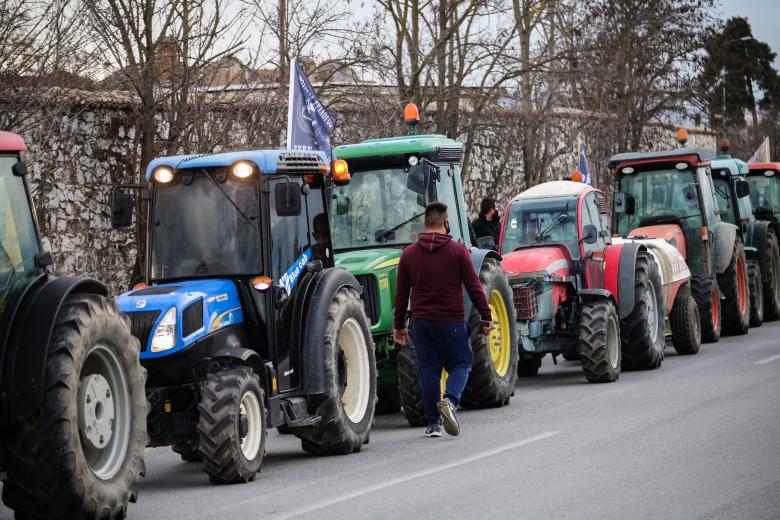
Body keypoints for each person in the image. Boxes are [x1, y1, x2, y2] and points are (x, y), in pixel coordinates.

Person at [393, 202, 493, 437]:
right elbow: (474, 287)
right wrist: (486, 317)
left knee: (429, 371)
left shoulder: (408, 255)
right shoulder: (458, 251)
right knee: (461, 363)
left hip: (422, 323)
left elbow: (401, 294)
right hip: (452, 322)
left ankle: (434, 424)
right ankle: (450, 400)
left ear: (425, 224)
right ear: (445, 223)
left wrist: (399, 326)